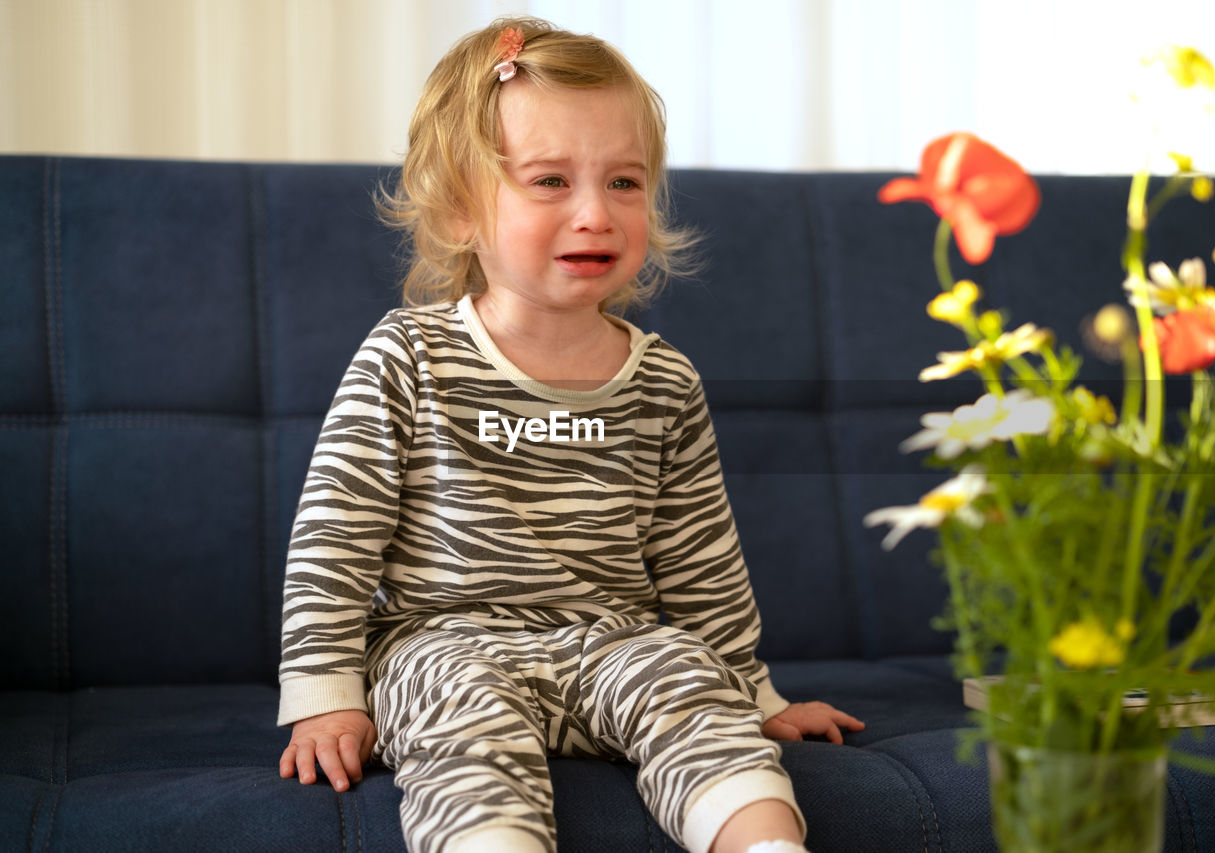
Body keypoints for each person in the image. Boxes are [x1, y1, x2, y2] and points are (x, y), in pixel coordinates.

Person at [276, 16, 863, 853]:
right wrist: (327, 692)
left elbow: (699, 561)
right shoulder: (407, 355)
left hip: (613, 640)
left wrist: (758, 697)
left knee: (686, 681)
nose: (597, 213)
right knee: (456, 709)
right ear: (456, 213)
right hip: (445, 641)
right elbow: (336, 537)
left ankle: (764, 843)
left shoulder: (665, 381)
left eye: (624, 182)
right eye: (550, 180)